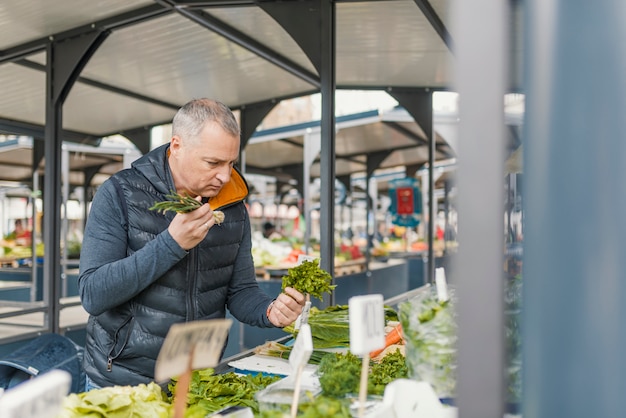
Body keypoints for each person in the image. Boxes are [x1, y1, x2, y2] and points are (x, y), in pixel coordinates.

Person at [78, 98, 306, 389]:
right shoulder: (119, 193)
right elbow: (93, 294)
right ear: (177, 146)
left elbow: (240, 291)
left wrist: (270, 311)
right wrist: (171, 244)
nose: (225, 176)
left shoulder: (233, 207)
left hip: (196, 382)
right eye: (213, 162)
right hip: (121, 382)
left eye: (231, 163)